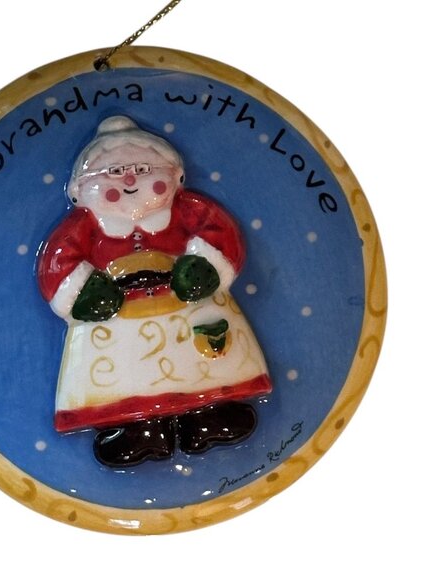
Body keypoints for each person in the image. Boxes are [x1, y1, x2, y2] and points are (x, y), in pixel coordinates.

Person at [38, 116, 271, 467]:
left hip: (187, 307)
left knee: (206, 362)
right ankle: (139, 430)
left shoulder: (187, 209)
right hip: (116, 322)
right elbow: (59, 261)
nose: (130, 180)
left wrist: (205, 267)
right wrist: (84, 291)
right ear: (79, 191)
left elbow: (219, 232)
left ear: (176, 177)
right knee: (122, 375)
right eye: (113, 174)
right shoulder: (83, 226)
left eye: (145, 170)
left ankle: (209, 416)